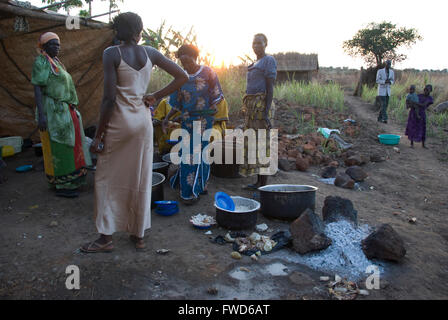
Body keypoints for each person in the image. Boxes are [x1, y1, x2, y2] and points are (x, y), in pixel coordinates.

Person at [81, 12, 188, 253]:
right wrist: (156, 96)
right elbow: (183, 76)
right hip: (142, 123)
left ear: (117, 32)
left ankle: (105, 239)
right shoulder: (150, 52)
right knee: (140, 178)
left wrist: (98, 136)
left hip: (120, 124)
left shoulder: (111, 54)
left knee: (106, 179)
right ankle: (138, 235)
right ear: (138, 32)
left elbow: (109, 99)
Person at [32, 32, 92, 198]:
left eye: (58, 44)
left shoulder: (57, 63)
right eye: (52, 44)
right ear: (44, 47)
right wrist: (42, 115)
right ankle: (62, 184)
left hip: (66, 110)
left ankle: (74, 180)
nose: (57, 47)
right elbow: (37, 87)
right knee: (59, 147)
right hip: (52, 111)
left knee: (71, 147)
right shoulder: (41, 62)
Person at [163, 44, 224, 204]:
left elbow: (216, 95)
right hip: (187, 121)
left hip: (204, 121)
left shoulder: (208, 72)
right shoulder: (180, 76)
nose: (186, 66)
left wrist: (213, 108)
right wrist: (166, 118)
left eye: (188, 61)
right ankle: (194, 188)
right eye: (183, 63)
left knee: (198, 154)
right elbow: (176, 102)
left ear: (195, 57)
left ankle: (193, 191)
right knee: (189, 155)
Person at [239, 33, 277, 189]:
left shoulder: (269, 60)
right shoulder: (255, 62)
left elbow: (270, 87)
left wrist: (266, 112)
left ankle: (263, 185)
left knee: (262, 145)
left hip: (261, 106)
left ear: (266, 44)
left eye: (259, 43)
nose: (256, 46)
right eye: (254, 43)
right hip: (252, 108)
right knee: (253, 144)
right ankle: (257, 182)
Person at [405, 84, 434, 149]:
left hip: (421, 114)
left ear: (430, 91)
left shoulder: (430, 98)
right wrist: (410, 103)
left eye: (427, 90)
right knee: (412, 128)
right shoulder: (418, 95)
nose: (425, 91)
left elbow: (423, 105)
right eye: (425, 89)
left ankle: (423, 144)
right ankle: (411, 144)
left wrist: (413, 103)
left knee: (422, 128)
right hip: (413, 113)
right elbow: (409, 102)